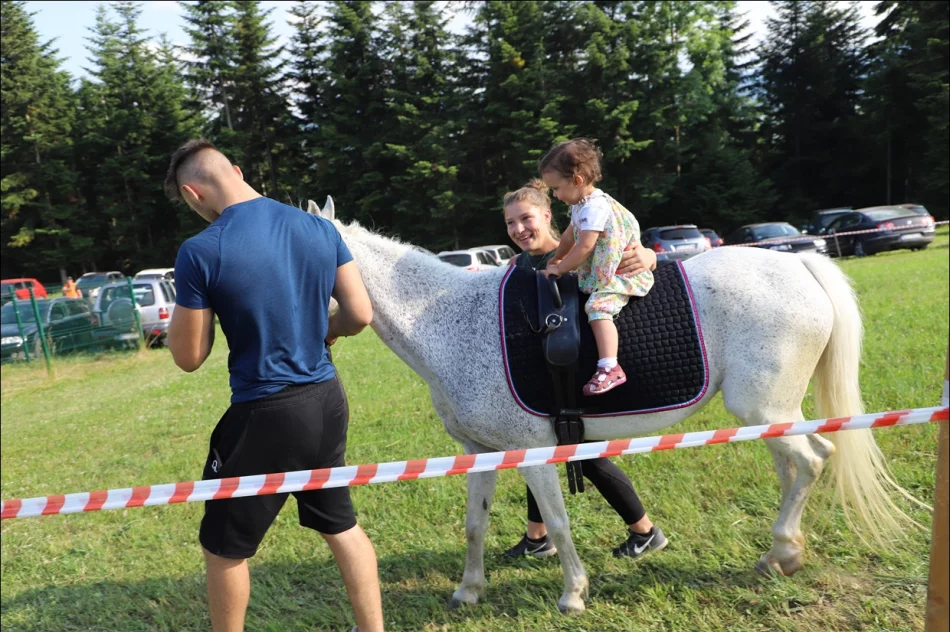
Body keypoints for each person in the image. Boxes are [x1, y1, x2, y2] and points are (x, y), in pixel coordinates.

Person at [163, 139, 384, 632]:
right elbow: (360, 314)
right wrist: (326, 332)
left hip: (264, 412)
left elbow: (188, 357)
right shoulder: (317, 227)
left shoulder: (200, 250)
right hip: (327, 401)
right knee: (341, 525)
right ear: (237, 170)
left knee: (222, 547)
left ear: (192, 194)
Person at [501, 178, 668, 560]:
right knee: (542, 446)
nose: (518, 229)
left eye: (525, 218)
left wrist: (651, 256)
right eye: (510, 223)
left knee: (580, 452)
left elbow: (627, 265)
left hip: (577, 366)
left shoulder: (580, 255)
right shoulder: (516, 267)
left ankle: (644, 530)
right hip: (540, 371)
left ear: (547, 215)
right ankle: (538, 535)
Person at [539, 138, 654, 396]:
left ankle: (610, 366)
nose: (555, 195)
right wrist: (556, 258)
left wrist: (560, 268)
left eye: (556, 188)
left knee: (597, 307)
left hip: (620, 273)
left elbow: (584, 247)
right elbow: (570, 236)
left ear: (577, 181)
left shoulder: (595, 207)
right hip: (602, 269)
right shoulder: (580, 207)